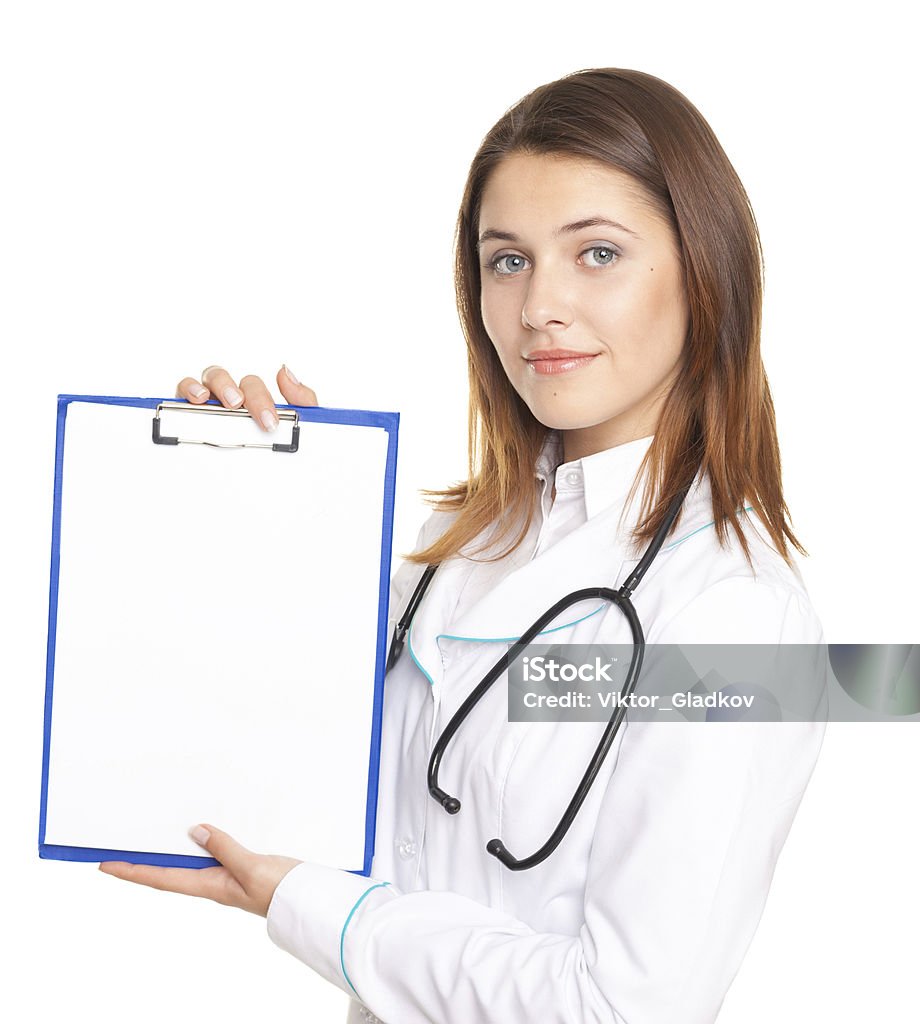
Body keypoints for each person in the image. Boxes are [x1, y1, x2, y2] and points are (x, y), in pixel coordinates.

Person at [99, 68, 827, 1023]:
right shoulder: (451, 551)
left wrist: (318, 910)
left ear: (706, 270)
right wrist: (266, 517)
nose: (539, 309)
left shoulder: (746, 622)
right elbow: (262, 749)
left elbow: (622, 1009)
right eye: (508, 260)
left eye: (597, 253)